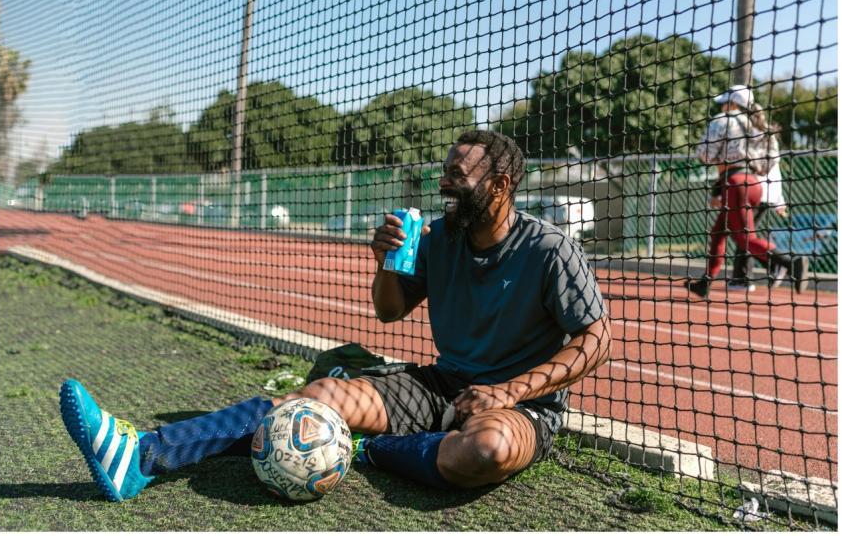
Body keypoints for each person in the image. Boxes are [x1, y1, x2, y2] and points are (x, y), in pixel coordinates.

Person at [59, 130, 612, 502]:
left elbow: (596, 339)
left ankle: (371, 450)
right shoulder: (439, 237)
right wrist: (384, 264)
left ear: (499, 186)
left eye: (458, 175)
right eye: (445, 170)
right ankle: (143, 455)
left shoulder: (549, 249)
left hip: (524, 406)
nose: (444, 183)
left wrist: (508, 392)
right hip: (443, 383)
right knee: (319, 396)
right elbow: (389, 313)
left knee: (485, 452)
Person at [685, 85, 809, 298]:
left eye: (725, 102)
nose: (723, 106)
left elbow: (703, 154)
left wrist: (722, 159)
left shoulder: (722, 120)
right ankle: (705, 283)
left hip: (734, 183)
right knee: (718, 232)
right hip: (753, 183)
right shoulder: (759, 125)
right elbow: (770, 162)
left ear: (733, 103)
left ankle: (790, 262)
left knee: (744, 239)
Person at [722, 154, 789, 291]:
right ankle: (745, 276)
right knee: (744, 237)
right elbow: (775, 171)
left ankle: (772, 265)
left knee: (744, 237)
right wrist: (779, 200)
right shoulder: (768, 140)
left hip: (752, 193)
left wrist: (779, 201)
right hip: (764, 194)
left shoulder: (749, 140)